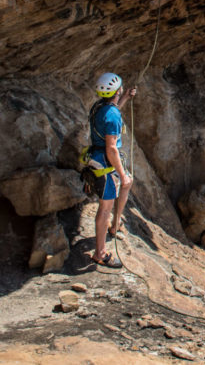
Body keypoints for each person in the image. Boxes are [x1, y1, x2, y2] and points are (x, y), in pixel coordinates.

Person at [87, 72, 136, 269]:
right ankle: (100, 253)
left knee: (127, 183)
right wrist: (121, 174)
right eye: (121, 90)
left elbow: (111, 115)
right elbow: (112, 148)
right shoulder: (113, 115)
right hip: (105, 163)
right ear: (116, 90)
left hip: (97, 158)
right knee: (105, 207)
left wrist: (124, 99)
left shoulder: (99, 106)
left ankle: (115, 225)